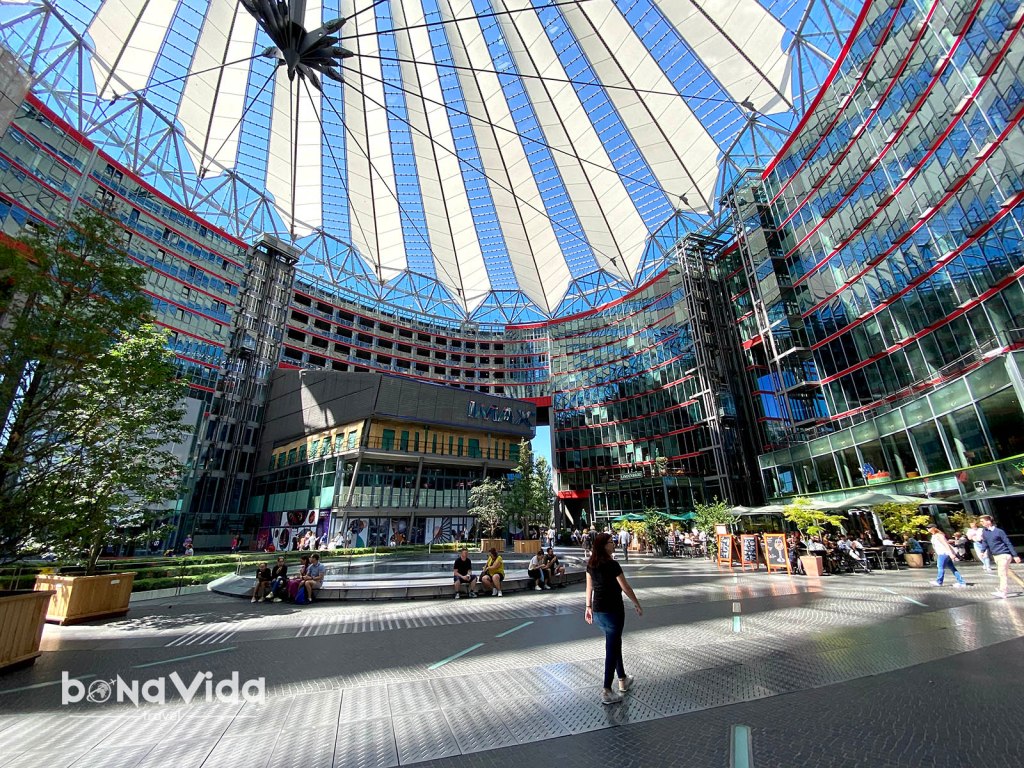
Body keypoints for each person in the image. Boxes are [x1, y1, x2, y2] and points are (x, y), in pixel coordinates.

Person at [585, 532, 643, 705]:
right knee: (612, 649)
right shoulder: (612, 565)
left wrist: (588, 607)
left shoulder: (591, 565)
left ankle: (623, 679)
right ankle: (607, 690)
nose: (614, 544)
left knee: (614, 643)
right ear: (603, 546)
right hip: (613, 611)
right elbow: (625, 587)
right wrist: (637, 603)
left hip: (598, 612)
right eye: (611, 542)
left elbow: (589, 588)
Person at [978, 515, 1023, 599]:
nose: (981, 523)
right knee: (1008, 572)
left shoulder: (999, 531)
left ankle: (1003, 592)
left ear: (989, 521)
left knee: (1002, 574)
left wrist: (1015, 555)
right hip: (996, 556)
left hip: (1004, 555)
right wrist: (982, 551)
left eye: (982, 521)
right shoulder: (984, 531)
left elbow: (1008, 543)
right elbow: (985, 542)